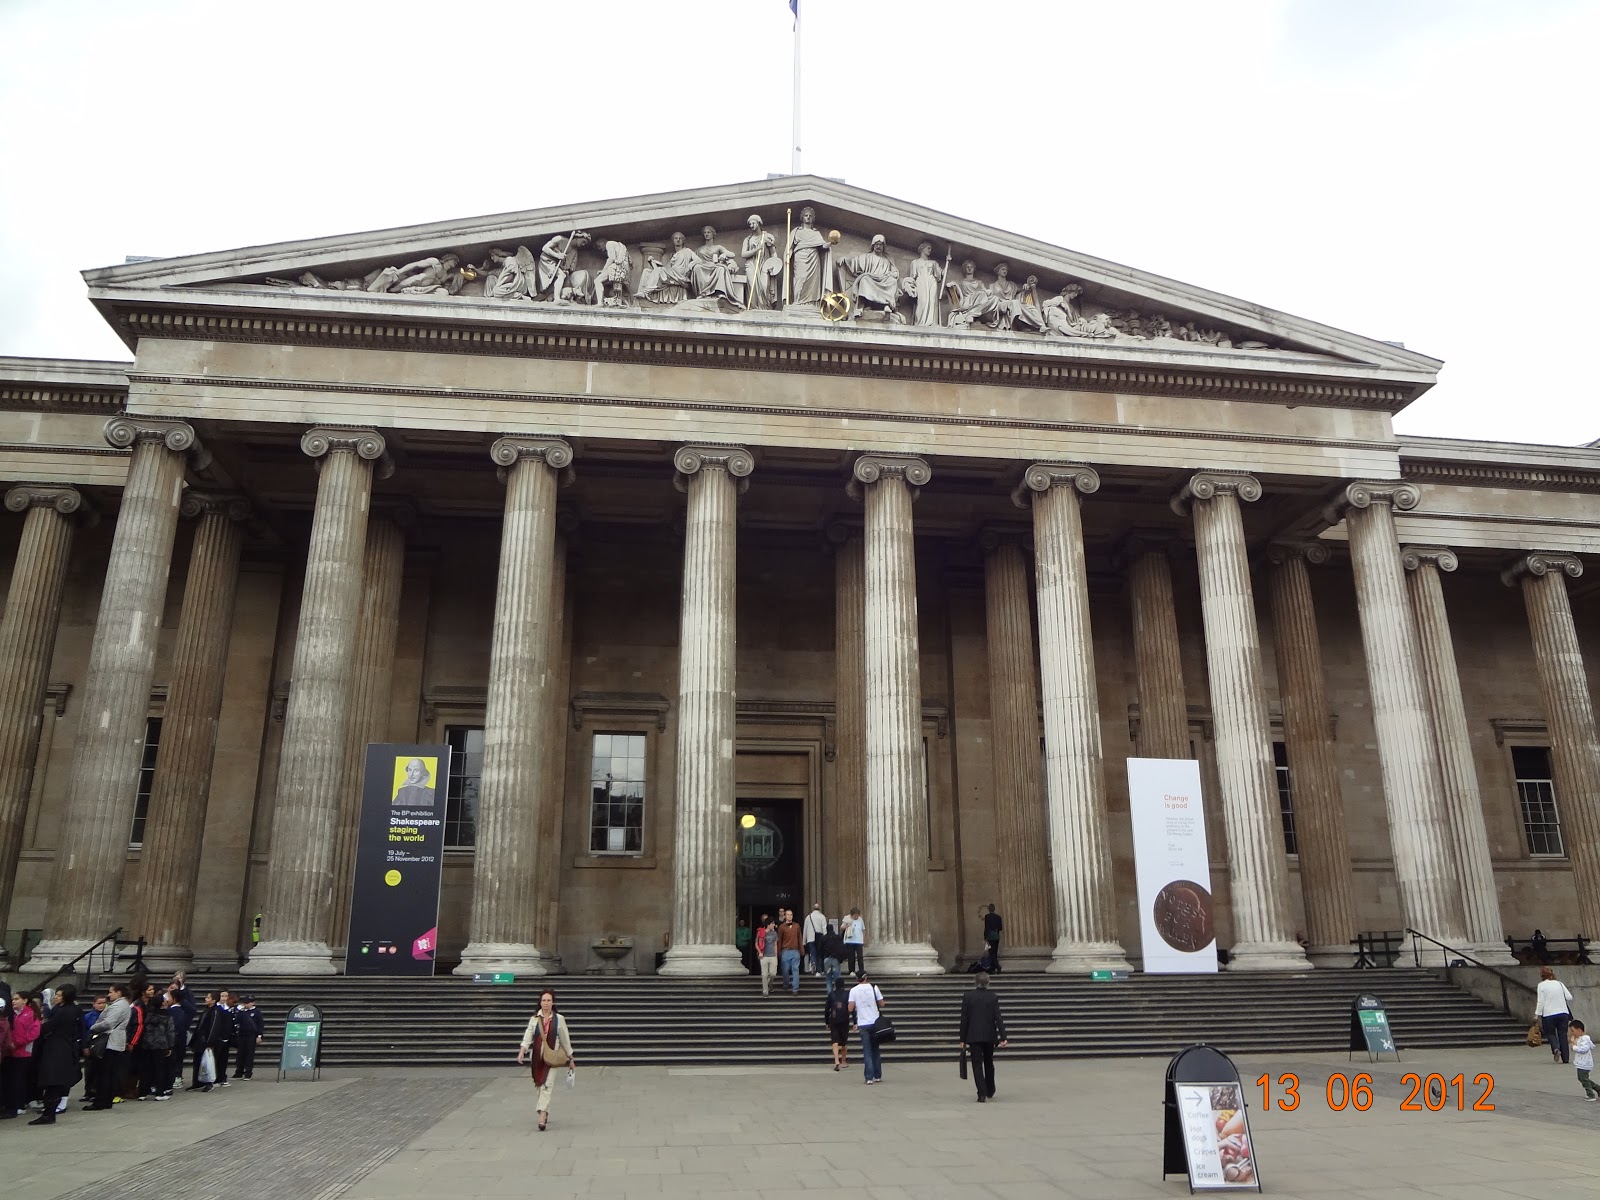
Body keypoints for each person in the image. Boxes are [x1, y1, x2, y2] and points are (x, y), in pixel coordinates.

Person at [516, 989, 575, 1132]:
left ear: (553, 1002)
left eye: (549, 1000)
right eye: (544, 1000)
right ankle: (545, 1109)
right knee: (539, 1084)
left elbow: (564, 1039)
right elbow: (528, 1035)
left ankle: (542, 1116)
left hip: (552, 1058)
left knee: (547, 1085)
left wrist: (571, 1057)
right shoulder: (535, 1018)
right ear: (540, 1002)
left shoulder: (559, 1019)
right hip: (537, 1057)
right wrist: (522, 1050)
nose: (546, 1003)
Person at [30, 985, 83, 1124]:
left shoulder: (64, 1011)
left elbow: (50, 1026)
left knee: (53, 1081)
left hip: (58, 1048)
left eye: (59, 995)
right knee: (54, 1082)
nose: (55, 997)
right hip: (63, 1046)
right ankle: (49, 1112)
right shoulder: (69, 1009)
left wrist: (39, 1024)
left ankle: (48, 1113)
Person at [959, 971, 1008, 1103]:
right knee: (988, 1062)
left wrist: (962, 1039)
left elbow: (964, 1019)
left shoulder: (968, 997)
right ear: (988, 983)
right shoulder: (992, 997)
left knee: (976, 1064)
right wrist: (1003, 1036)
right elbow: (998, 1017)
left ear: (975, 982)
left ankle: (981, 1093)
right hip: (989, 1035)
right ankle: (990, 1088)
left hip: (973, 1036)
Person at [88, 982, 131, 1111]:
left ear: (119, 992)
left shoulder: (118, 1006)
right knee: (110, 1073)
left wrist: (93, 1027)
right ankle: (106, 1100)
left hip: (110, 1041)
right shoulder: (124, 1005)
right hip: (116, 1041)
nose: (109, 994)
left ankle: (100, 1101)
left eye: (111, 991)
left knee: (104, 1073)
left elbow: (108, 1023)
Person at [3, 991, 40, 1118]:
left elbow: (34, 1033)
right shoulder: (11, 1015)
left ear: (24, 1000)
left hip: (23, 1052)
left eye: (17, 999)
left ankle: (18, 1105)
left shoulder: (30, 1014)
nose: (14, 1001)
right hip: (9, 1052)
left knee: (18, 1080)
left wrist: (18, 1043)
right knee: (10, 1080)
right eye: (13, 999)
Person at [847, 971, 885, 1085]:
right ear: (866, 978)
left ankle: (869, 1077)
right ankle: (877, 1075)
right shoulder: (874, 987)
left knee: (867, 1050)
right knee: (875, 1049)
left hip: (863, 1023)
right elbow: (882, 1004)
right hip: (875, 1022)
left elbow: (850, 1008)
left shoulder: (853, 990)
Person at [136, 985, 173, 1099]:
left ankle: (142, 1092)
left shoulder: (148, 1013)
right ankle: (159, 1092)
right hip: (161, 1044)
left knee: (146, 1069)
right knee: (160, 1069)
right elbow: (170, 1031)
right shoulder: (166, 1015)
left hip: (147, 1044)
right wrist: (170, 1046)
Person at [188, 991, 228, 1092]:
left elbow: (214, 1028)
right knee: (198, 1061)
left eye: (208, 998)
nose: (206, 999)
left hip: (207, 1041)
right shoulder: (206, 1010)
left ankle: (208, 1082)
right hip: (200, 1040)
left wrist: (209, 1042)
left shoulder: (215, 1012)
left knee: (207, 1062)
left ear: (214, 1001)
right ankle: (197, 1082)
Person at [1535, 966, 1575, 1064]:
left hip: (1548, 1014)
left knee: (1550, 1033)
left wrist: (1536, 1015)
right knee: (1562, 1035)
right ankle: (1565, 1059)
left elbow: (1541, 1002)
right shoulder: (1560, 984)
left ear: (1541, 975)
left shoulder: (1541, 985)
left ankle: (1556, 1049)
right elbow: (1569, 997)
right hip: (1563, 1013)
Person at [824, 976, 852, 1072]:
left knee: (835, 1041)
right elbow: (851, 1008)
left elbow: (827, 1009)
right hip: (845, 1019)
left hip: (834, 1020)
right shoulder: (848, 994)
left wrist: (827, 1021)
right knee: (844, 1041)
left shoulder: (832, 994)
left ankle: (836, 1060)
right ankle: (843, 1061)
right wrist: (855, 1021)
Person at [233, 995, 263, 1079]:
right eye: (245, 1003)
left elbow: (260, 1024)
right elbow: (236, 1020)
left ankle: (248, 1072)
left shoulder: (257, 1012)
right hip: (242, 1035)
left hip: (251, 1035)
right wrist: (238, 1011)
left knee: (249, 1054)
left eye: (248, 1003)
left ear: (253, 1003)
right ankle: (239, 1071)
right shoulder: (242, 1012)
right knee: (240, 1054)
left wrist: (259, 1036)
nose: (246, 1004)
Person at [777, 908, 803, 993]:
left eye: (791, 915)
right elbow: (779, 940)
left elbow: (800, 938)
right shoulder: (781, 927)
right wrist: (779, 951)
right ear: (785, 916)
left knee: (795, 969)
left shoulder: (797, 926)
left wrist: (801, 949)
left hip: (795, 950)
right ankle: (786, 983)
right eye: (788, 914)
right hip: (785, 950)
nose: (790, 916)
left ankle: (795, 988)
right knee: (785, 969)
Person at [1571, 1019, 1597, 1101]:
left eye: (1573, 1031)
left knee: (1583, 1078)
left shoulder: (1585, 1039)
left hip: (1585, 1063)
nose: (1572, 1033)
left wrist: (1574, 1046)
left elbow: (1583, 1049)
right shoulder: (1580, 1038)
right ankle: (1598, 1088)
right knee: (1583, 1078)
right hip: (1581, 1063)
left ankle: (1591, 1094)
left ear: (1579, 1030)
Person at [803, 903, 829, 976]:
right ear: (819, 909)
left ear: (813, 909)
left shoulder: (808, 917)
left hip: (810, 938)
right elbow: (824, 928)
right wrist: (826, 938)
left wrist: (804, 941)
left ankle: (813, 963)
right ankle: (818, 970)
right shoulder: (822, 917)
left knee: (813, 953)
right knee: (820, 954)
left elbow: (805, 929)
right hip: (820, 937)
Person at [758, 912, 779, 996]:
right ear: (768, 924)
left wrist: (776, 955)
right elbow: (757, 943)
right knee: (764, 975)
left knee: (773, 973)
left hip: (772, 955)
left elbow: (775, 944)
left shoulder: (774, 933)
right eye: (772, 923)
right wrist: (759, 952)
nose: (774, 925)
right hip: (764, 955)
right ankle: (765, 991)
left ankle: (770, 984)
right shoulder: (761, 932)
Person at [842, 907, 865, 976]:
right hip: (850, 941)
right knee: (851, 957)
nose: (856, 917)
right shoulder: (847, 918)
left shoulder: (860, 919)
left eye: (857, 915)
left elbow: (863, 929)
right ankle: (851, 970)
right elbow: (841, 927)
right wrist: (847, 926)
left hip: (859, 941)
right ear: (852, 915)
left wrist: (863, 938)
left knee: (860, 956)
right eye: (855, 915)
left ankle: (861, 970)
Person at [982, 904, 1004, 970]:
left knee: (991, 953)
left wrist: (985, 937)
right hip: (996, 937)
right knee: (995, 952)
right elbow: (1000, 928)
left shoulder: (987, 917)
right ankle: (993, 968)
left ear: (989, 909)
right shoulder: (998, 917)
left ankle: (997, 966)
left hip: (990, 937)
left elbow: (986, 927)